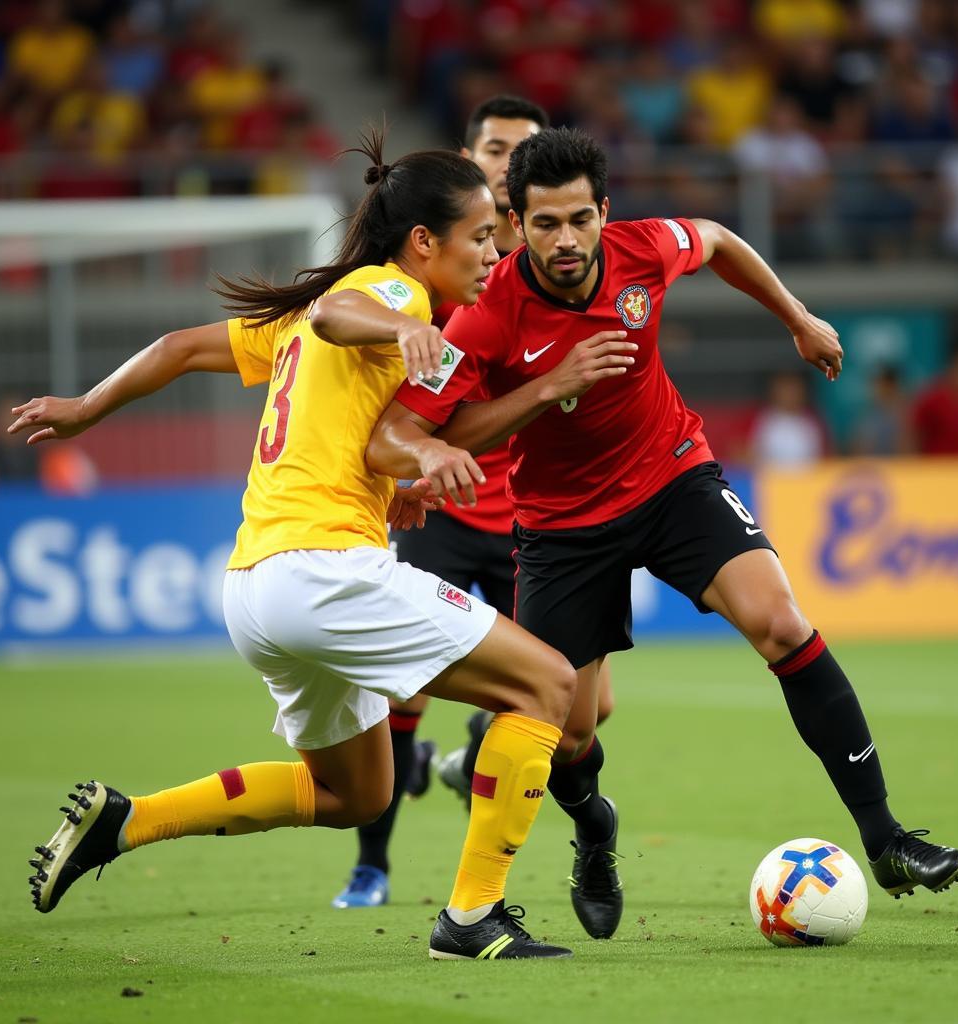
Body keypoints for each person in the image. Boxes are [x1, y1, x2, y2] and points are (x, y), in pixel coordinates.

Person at [366, 127, 958, 938]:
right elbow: (411, 430)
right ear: (517, 223)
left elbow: (718, 240)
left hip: (672, 477)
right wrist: (547, 391)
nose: (566, 240)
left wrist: (797, 316)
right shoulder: (484, 317)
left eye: (580, 219)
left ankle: (887, 837)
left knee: (783, 623)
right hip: (561, 527)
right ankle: (594, 833)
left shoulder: (644, 250)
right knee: (567, 729)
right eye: (545, 224)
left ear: (604, 212)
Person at [11, 134, 580, 961]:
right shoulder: (393, 298)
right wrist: (402, 325)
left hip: (255, 587)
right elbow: (338, 315)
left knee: (353, 792)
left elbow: (177, 349)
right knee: (548, 683)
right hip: (324, 573)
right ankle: (472, 917)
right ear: (424, 242)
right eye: (482, 236)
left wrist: (86, 406)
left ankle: (128, 822)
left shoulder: (293, 322)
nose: (493, 255)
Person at [331, 94, 617, 912]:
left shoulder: (543, 263)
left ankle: (468, 761)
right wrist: (414, 461)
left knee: (584, 713)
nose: (505, 163)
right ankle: (373, 866)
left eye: (520, 154)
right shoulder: (442, 270)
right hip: (442, 506)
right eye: (495, 148)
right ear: (471, 156)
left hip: (533, 514)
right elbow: (346, 321)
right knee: (405, 691)